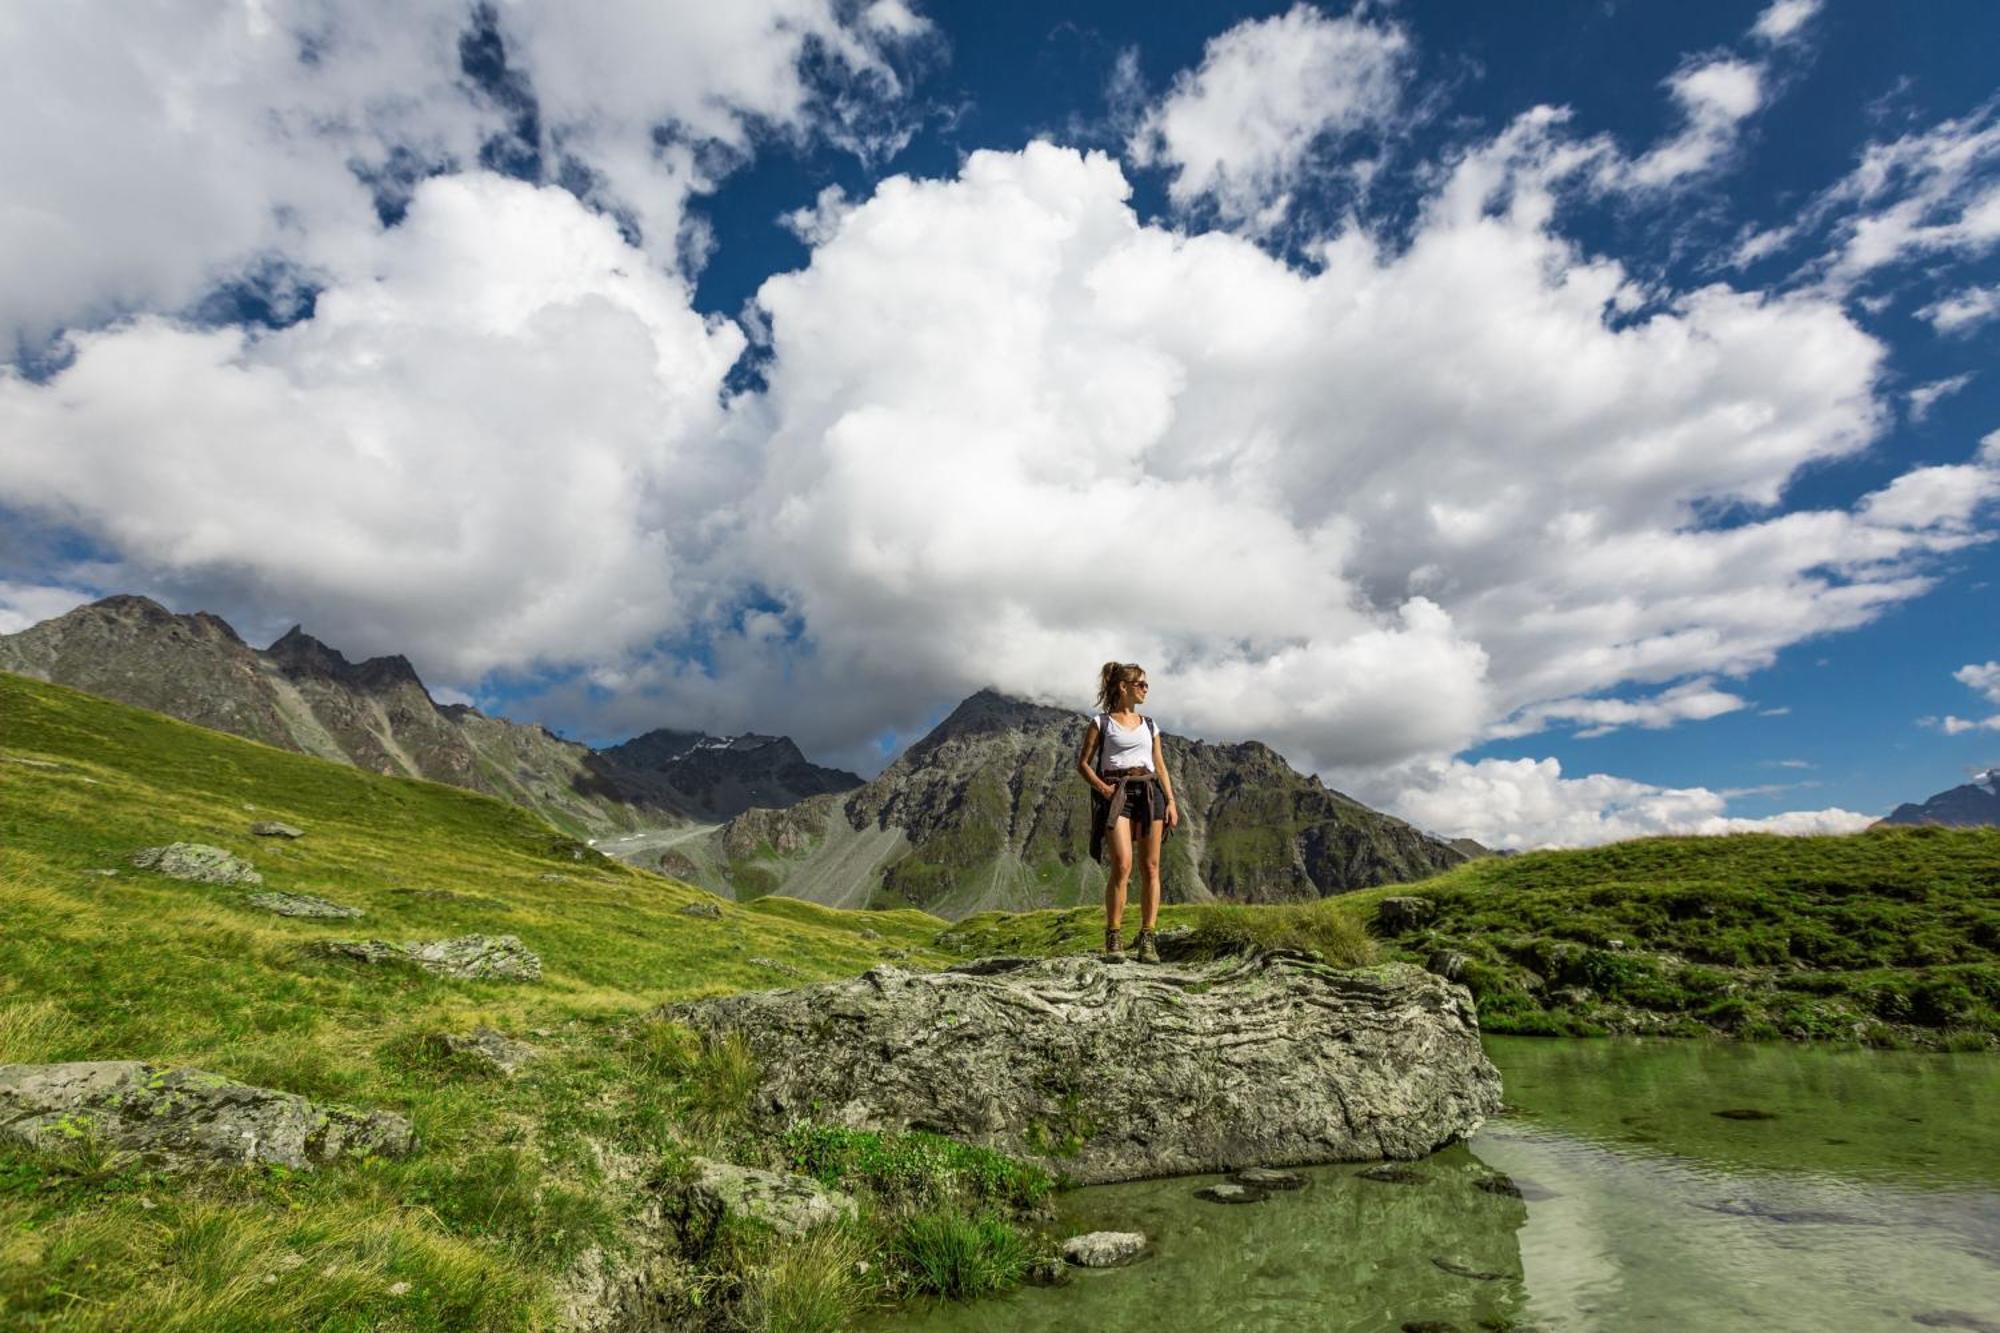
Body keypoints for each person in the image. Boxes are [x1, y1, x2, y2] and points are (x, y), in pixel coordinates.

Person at [1076, 661, 1179, 963]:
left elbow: (1159, 764)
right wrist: (1102, 788)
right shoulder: (1101, 723)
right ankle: (1114, 936)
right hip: (1117, 793)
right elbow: (1082, 763)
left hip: (1150, 793)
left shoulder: (1150, 725)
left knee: (1151, 868)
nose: (1146, 689)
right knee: (1122, 865)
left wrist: (1171, 800)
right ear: (1124, 687)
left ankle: (1148, 938)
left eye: (1146, 685)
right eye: (1141, 684)